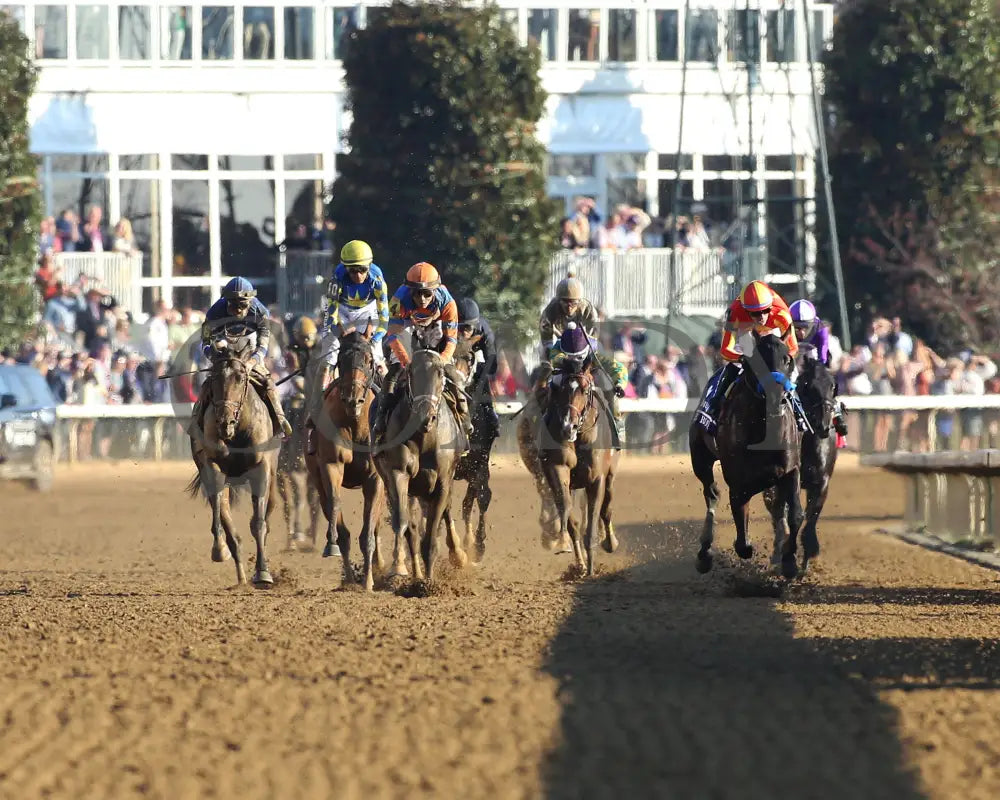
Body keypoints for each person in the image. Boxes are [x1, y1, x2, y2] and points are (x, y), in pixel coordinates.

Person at [371, 262, 473, 448]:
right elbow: (392, 335)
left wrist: (441, 361)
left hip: (437, 326)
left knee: (454, 377)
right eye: (417, 293)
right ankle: (381, 423)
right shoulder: (397, 302)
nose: (422, 298)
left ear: (436, 290)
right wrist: (405, 361)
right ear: (409, 291)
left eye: (427, 293)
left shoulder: (449, 304)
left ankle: (464, 423)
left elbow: (451, 340)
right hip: (407, 326)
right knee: (393, 374)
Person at [694, 280, 808, 435]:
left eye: (765, 311)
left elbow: (793, 348)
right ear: (747, 310)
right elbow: (725, 350)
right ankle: (715, 408)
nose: (761, 317)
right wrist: (742, 359)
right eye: (755, 313)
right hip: (745, 330)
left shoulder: (782, 314)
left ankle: (798, 412)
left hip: (772, 331)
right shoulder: (735, 314)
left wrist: (778, 360)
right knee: (735, 367)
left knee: (789, 373)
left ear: (770, 307)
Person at [190, 276, 292, 439]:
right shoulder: (214, 313)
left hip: (249, 348)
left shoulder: (261, 312)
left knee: (268, 382)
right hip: (224, 348)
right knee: (208, 384)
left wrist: (253, 361)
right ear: (226, 301)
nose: (238, 309)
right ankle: (196, 422)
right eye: (233, 305)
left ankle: (279, 420)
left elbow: (263, 344)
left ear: (251, 301)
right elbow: (205, 342)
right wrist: (214, 355)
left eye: (243, 305)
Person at [538, 276, 626, 445]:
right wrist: (558, 361)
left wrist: (585, 365)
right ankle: (544, 420)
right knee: (547, 382)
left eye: (574, 303)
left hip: (586, 352)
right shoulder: (549, 313)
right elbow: (547, 344)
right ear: (558, 301)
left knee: (608, 387)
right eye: (566, 303)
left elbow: (592, 340)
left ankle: (617, 422)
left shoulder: (588, 311)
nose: (570, 307)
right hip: (560, 349)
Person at [316, 239, 389, 393]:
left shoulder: (378, 281)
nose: (358, 275)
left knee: (378, 361)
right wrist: (340, 335)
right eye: (353, 271)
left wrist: (373, 340)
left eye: (362, 270)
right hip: (341, 312)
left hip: (367, 312)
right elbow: (331, 317)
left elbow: (384, 320)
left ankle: (387, 402)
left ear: (369, 266)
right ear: (346, 268)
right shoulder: (336, 279)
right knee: (328, 358)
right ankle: (317, 404)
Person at [789, 298, 849, 438]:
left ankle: (836, 412)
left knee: (824, 382)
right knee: (790, 378)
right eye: (797, 327)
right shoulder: (784, 326)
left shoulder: (821, 329)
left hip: (812, 352)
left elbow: (822, 357)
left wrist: (818, 372)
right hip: (792, 352)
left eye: (805, 328)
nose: (802, 333)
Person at [456, 297, 500, 438]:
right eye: (459, 328)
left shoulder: (485, 333)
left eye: (467, 328)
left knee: (482, 380)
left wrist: (474, 367)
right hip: (453, 356)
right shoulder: (446, 328)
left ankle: (490, 414)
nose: (462, 333)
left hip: (476, 360)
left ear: (475, 326)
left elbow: (492, 366)